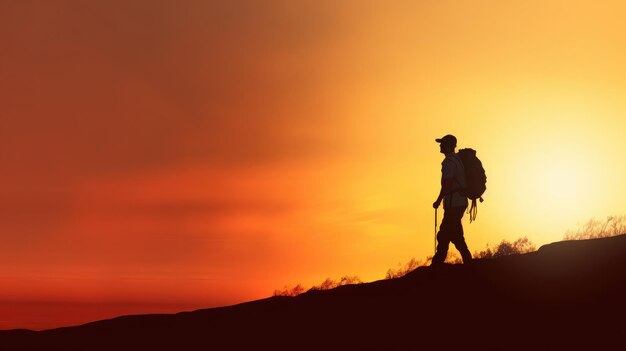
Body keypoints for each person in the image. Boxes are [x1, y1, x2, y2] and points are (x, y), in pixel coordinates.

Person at [431, 134, 472, 265]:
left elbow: (447, 183)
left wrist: (438, 200)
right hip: (460, 202)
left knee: (444, 234)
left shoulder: (449, 162)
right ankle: (468, 260)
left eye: (442, 143)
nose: (440, 145)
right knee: (455, 234)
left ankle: (437, 264)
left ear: (449, 145)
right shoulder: (457, 160)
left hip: (454, 203)